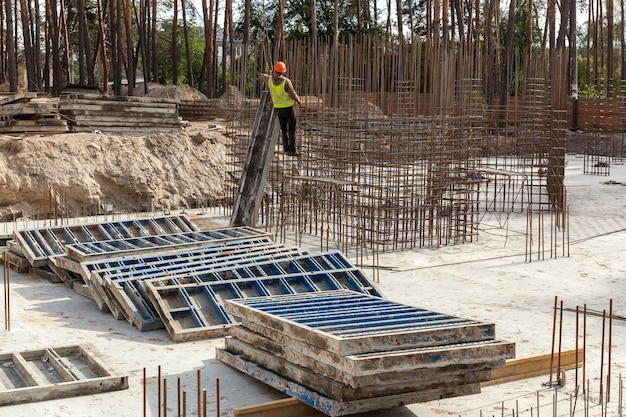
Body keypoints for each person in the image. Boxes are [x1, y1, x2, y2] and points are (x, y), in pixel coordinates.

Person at [259, 61, 303, 156]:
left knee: (283, 129)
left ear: (275, 70)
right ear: (283, 72)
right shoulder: (285, 81)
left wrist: (267, 73)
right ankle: (292, 150)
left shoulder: (269, 80)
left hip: (278, 109)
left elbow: (261, 76)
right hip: (288, 109)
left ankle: (286, 149)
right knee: (291, 129)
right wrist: (299, 101)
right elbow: (292, 94)